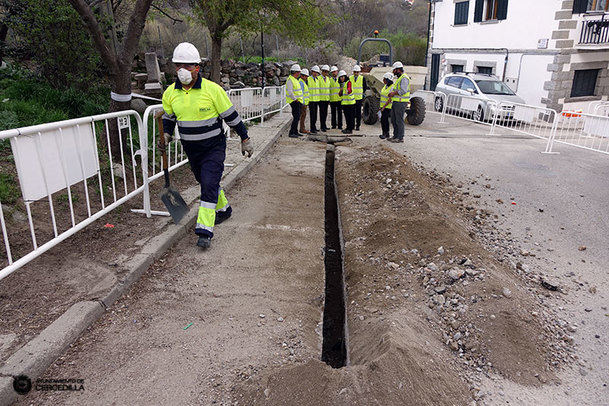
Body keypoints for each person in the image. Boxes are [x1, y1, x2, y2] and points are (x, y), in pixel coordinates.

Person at [161, 42, 253, 249]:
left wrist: (245, 139)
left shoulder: (213, 90)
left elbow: (232, 117)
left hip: (213, 147)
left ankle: (204, 231)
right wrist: (166, 134)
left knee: (208, 185)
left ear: (197, 67)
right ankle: (225, 209)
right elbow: (169, 117)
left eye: (188, 66)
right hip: (191, 150)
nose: (182, 71)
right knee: (206, 183)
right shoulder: (170, 93)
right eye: (178, 66)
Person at [387, 61, 411, 143]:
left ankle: (400, 137)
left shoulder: (404, 78)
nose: (393, 72)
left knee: (399, 120)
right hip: (396, 102)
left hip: (401, 103)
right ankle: (395, 135)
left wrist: (393, 93)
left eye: (394, 70)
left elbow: (403, 90)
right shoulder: (399, 78)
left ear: (398, 70)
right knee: (394, 120)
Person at [285, 64, 304, 138]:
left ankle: (295, 132)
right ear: (295, 72)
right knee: (296, 117)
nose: (299, 73)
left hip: (297, 101)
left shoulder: (295, 79)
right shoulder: (290, 80)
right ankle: (291, 132)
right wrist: (295, 99)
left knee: (297, 117)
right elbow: (290, 92)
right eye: (298, 72)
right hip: (294, 101)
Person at [349, 65, 367, 131]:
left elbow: (365, 87)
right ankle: (352, 125)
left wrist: (362, 93)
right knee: (352, 113)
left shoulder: (362, 78)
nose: (356, 73)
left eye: (357, 72)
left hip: (359, 98)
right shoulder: (350, 78)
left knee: (358, 113)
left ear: (359, 72)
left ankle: (358, 126)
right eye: (355, 72)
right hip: (352, 98)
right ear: (353, 72)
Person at [338, 70, 355, 134]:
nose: (342, 78)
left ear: (345, 77)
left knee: (350, 117)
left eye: (343, 77)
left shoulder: (348, 82)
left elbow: (349, 89)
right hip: (345, 103)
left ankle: (350, 129)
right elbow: (340, 94)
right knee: (347, 117)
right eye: (340, 77)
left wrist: (347, 91)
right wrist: (340, 91)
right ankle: (348, 128)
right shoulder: (343, 84)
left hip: (350, 103)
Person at [379, 72, 394, 139]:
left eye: (384, 79)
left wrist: (384, 107)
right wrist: (381, 106)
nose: (383, 80)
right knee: (382, 120)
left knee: (385, 120)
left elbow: (390, 99)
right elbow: (382, 96)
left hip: (388, 107)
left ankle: (386, 134)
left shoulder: (392, 88)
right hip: (383, 106)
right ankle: (384, 133)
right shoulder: (385, 86)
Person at [308, 65, 321, 134]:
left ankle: (314, 127)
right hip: (311, 100)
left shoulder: (317, 80)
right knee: (312, 115)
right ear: (312, 72)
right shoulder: (308, 79)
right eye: (314, 72)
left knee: (315, 115)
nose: (315, 73)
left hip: (316, 100)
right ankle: (312, 128)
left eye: (316, 72)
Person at [317, 65, 331, 132]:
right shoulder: (318, 78)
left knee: (325, 113)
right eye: (324, 71)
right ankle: (322, 126)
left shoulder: (328, 79)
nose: (326, 73)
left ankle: (324, 125)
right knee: (322, 113)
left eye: (327, 72)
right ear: (322, 71)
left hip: (326, 99)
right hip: (321, 99)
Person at [329, 66, 342, 130]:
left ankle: (340, 125)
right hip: (332, 99)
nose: (334, 73)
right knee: (333, 113)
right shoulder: (329, 80)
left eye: (335, 71)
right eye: (332, 72)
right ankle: (333, 125)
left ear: (337, 72)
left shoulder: (340, 79)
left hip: (339, 99)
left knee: (339, 113)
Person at [299, 68, 310, 134]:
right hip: (303, 103)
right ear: (302, 76)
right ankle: (302, 129)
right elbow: (301, 93)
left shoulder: (303, 82)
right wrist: (302, 103)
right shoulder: (301, 83)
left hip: (305, 102)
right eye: (306, 76)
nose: (306, 77)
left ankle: (302, 128)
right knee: (303, 116)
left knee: (303, 115)